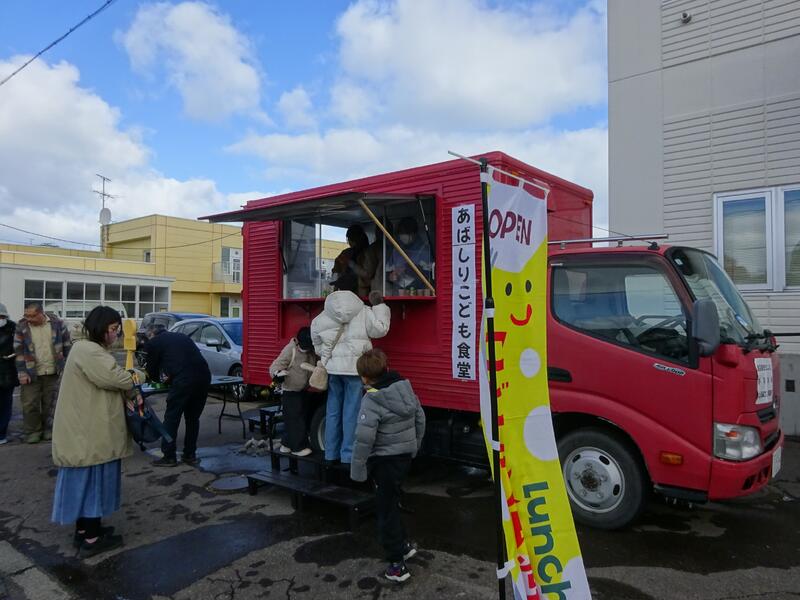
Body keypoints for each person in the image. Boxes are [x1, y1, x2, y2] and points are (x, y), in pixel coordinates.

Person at [51, 306, 138, 558]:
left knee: (84, 485)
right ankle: (92, 539)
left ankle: (85, 531)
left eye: (117, 329)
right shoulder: (89, 350)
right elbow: (116, 379)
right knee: (93, 485)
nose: (116, 334)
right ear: (100, 328)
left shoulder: (84, 348)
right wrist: (137, 376)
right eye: (112, 329)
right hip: (89, 433)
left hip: (84, 431)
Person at [351, 349, 425, 583]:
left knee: (385, 510)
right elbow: (420, 419)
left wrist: (357, 469)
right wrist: (414, 446)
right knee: (393, 501)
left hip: (383, 462)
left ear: (364, 377)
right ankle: (403, 546)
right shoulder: (405, 387)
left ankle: (396, 565)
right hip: (403, 458)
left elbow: (364, 440)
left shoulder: (371, 399)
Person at [310, 289, 390, 465]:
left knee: (333, 411)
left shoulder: (322, 316)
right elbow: (380, 330)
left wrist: (329, 357)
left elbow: (316, 344)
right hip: (355, 370)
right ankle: (348, 455)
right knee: (351, 412)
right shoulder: (363, 311)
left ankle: (330, 453)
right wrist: (379, 306)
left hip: (333, 370)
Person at [143, 324, 211, 467]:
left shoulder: (154, 342)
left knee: (171, 418)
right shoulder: (182, 337)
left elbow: (151, 368)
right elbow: (182, 359)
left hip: (184, 380)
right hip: (204, 377)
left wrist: (156, 380)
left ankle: (169, 456)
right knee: (192, 418)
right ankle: (190, 454)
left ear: (151, 335)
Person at [14, 302, 72, 443]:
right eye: (26, 315)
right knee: (30, 403)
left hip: (53, 371)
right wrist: (22, 372)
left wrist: (67, 368)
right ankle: (33, 431)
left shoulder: (58, 324)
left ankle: (49, 430)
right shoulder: (21, 327)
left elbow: (67, 346)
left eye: (32, 316)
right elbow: (18, 351)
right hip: (31, 372)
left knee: (51, 403)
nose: (29, 319)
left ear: (41, 313)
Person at [269, 326, 315, 456]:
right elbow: (275, 366)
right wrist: (277, 373)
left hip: (303, 390)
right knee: (296, 419)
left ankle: (286, 444)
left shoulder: (311, 351)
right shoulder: (290, 350)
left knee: (296, 418)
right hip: (290, 390)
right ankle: (298, 447)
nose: (306, 349)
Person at [387, 217, 433, 293]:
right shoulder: (396, 250)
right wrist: (391, 276)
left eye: (406, 232)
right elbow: (388, 271)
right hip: (399, 293)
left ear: (414, 233)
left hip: (419, 293)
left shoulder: (424, 250)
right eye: (401, 233)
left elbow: (431, 274)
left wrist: (412, 270)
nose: (403, 236)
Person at [331, 224, 378, 296]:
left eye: (350, 239)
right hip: (346, 291)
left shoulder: (368, 253)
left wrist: (351, 264)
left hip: (361, 291)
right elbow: (336, 270)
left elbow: (368, 274)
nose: (349, 242)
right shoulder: (346, 253)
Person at [0, 303, 18, 445]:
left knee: (5, 404)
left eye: (2, 316)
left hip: (8, 372)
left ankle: (2, 433)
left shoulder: (13, 328)